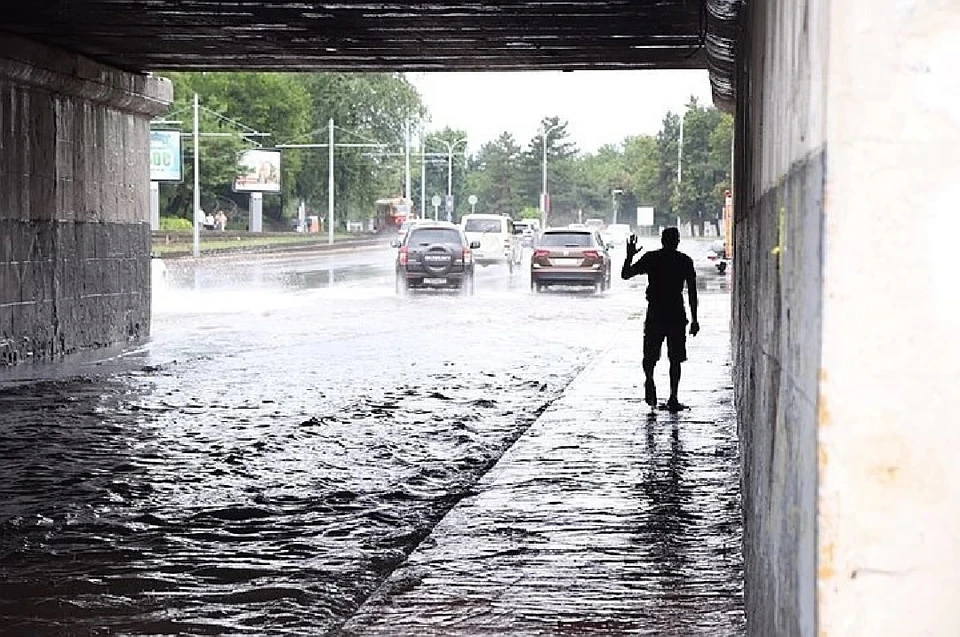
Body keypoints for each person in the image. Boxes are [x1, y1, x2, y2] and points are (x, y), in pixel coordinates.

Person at [621, 227, 699, 412]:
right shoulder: (684, 261)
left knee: (650, 355)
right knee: (675, 358)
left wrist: (629, 256)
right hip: (676, 314)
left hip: (655, 313)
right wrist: (695, 319)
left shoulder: (652, 258)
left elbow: (625, 274)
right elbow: (692, 292)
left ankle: (649, 380)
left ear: (662, 240)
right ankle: (673, 397)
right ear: (677, 241)